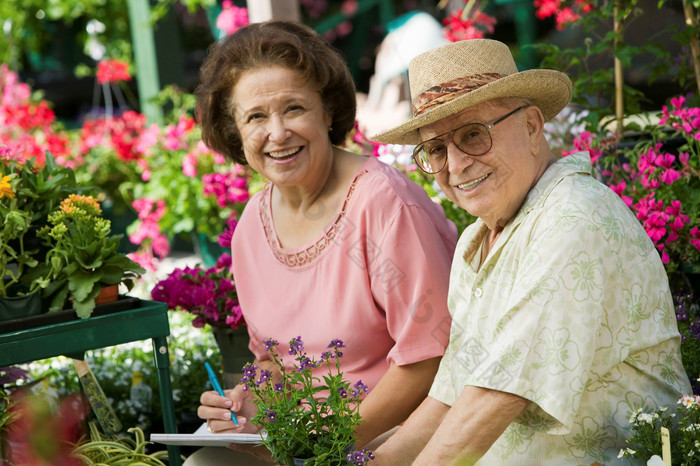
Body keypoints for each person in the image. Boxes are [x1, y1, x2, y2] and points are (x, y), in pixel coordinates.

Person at [368, 38, 691, 465]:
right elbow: (453, 394)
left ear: (533, 126)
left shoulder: (572, 218)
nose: (457, 163)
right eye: (436, 148)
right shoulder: (477, 241)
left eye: (473, 135)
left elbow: (498, 395)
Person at [185, 21, 458, 465]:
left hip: (395, 438)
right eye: (255, 117)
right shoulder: (251, 226)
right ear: (235, 132)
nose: (277, 133)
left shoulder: (383, 203)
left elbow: (430, 359)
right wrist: (247, 405)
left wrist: (326, 445)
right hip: (302, 445)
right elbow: (273, 362)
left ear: (327, 111)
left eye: (293, 108)